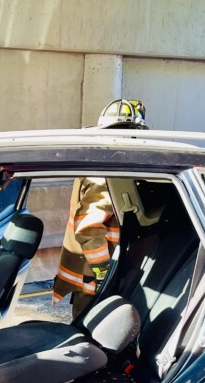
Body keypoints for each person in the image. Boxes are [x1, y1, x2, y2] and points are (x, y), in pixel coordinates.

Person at [52, 100, 147, 319]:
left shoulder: (100, 161)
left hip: (87, 276)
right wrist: (105, 273)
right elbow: (88, 229)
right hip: (93, 279)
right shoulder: (106, 174)